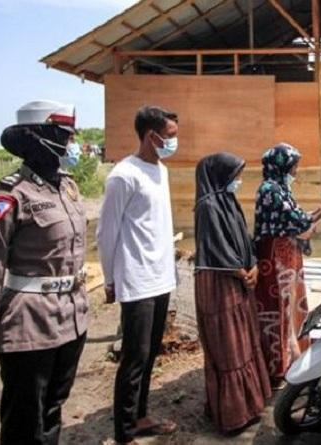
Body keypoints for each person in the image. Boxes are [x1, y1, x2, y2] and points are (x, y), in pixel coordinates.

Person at [0, 100, 87, 444]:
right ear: (39, 138)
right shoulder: (9, 195)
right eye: (65, 136)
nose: (72, 143)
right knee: (24, 419)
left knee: (52, 410)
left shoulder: (66, 187)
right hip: (29, 322)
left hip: (72, 317)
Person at [96, 105, 179, 444]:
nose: (175, 142)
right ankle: (125, 432)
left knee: (149, 355)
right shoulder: (123, 175)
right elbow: (106, 233)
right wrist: (110, 279)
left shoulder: (161, 170)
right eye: (171, 136)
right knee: (134, 359)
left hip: (160, 278)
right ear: (151, 135)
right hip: (137, 280)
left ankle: (141, 416)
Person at [253, 142, 321, 386]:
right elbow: (300, 223)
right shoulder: (270, 190)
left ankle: (293, 358)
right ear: (281, 165)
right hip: (274, 260)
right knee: (279, 311)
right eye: (293, 166)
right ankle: (278, 368)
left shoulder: (281, 189)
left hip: (287, 256)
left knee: (291, 309)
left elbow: (299, 221)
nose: (296, 171)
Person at [193, 152, 271, 434]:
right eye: (235, 175)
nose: (238, 181)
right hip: (220, 283)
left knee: (243, 341)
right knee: (228, 347)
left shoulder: (228, 201)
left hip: (239, 279)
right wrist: (240, 271)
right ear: (220, 175)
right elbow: (216, 247)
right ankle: (231, 413)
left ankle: (248, 406)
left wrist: (253, 266)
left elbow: (242, 238)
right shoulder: (207, 206)